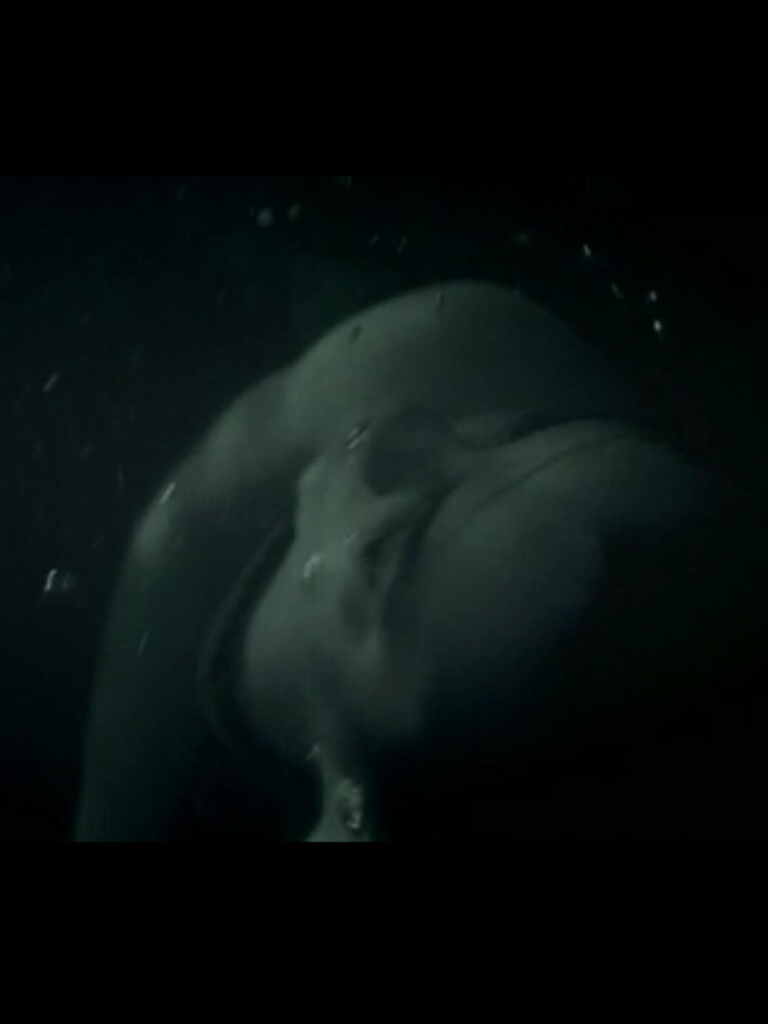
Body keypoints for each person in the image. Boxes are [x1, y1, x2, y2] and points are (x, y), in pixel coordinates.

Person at [74, 281, 737, 842]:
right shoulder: (472, 357)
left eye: (384, 551)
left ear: (348, 810)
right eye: (525, 433)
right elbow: (184, 518)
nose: (395, 433)